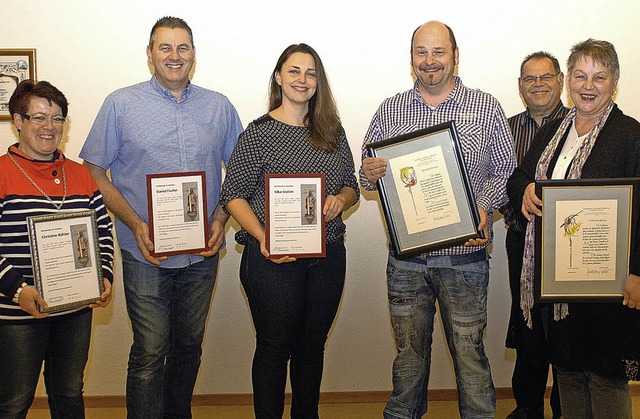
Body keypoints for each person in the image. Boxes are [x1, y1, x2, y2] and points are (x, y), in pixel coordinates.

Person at [79, 16, 243, 418]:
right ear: (150, 55)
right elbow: (94, 172)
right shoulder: (120, 104)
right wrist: (137, 224)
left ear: (193, 55)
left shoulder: (218, 106)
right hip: (144, 253)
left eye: (182, 47)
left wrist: (221, 219)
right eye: (165, 47)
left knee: (188, 347)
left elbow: (241, 172)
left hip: (201, 255)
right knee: (150, 351)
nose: (174, 56)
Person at [360, 21, 515, 419]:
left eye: (438, 52)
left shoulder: (485, 107)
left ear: (455, 55)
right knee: (408, 360)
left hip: (464, 258)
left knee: (470, 357)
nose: (430, 62)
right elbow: (366, 173)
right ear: (411, 59)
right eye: (421, 53)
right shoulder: (390, 109)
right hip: (406, 262)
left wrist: (482, 207)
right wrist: (370, 173)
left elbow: (506, 171)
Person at [220, 43, 359, 418]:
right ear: (279, 77)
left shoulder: (332, 131)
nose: (302, 79)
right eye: (294, 71)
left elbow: (351, 184)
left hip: (327, 257)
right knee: (274, 348)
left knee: (312, 348)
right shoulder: (258, 133)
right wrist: (264, 236)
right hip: (272, 259)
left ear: (319, 82)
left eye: (311, 73)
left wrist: (340, 201)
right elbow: (232, 195)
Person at [507, 39, 640, 419]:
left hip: (607, 284)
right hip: (558, 284)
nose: (588, 85)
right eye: (580, 75)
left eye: (599, 77)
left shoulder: (630, 135)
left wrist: (638, 272)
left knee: (604, 374)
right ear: (569, 82)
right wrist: (527, 188)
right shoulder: (555, 130)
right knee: (567, 372)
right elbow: (518, 177)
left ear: (614, 82)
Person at [0, 80, 114, 417]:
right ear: (17, 121)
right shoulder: (2, 173)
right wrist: (17, 290)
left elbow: (102, 231)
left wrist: (103, 275)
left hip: (74, 312)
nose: (49, 127)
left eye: (58, 118)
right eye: (38, 117)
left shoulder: (81, 176)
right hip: (16, 312)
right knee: (13, 401)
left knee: (68, 394)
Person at [503, 51, 568, 419]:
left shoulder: (578, 126)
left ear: (560, 81)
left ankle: (564, 408)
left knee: (564, 327)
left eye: (546, 77)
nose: (538, 84)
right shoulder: (507, 128)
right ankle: (527, 407)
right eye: (530, 78)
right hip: (521, 242)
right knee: (526, 324)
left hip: (567, 245)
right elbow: (497, 179)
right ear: (520, 86)